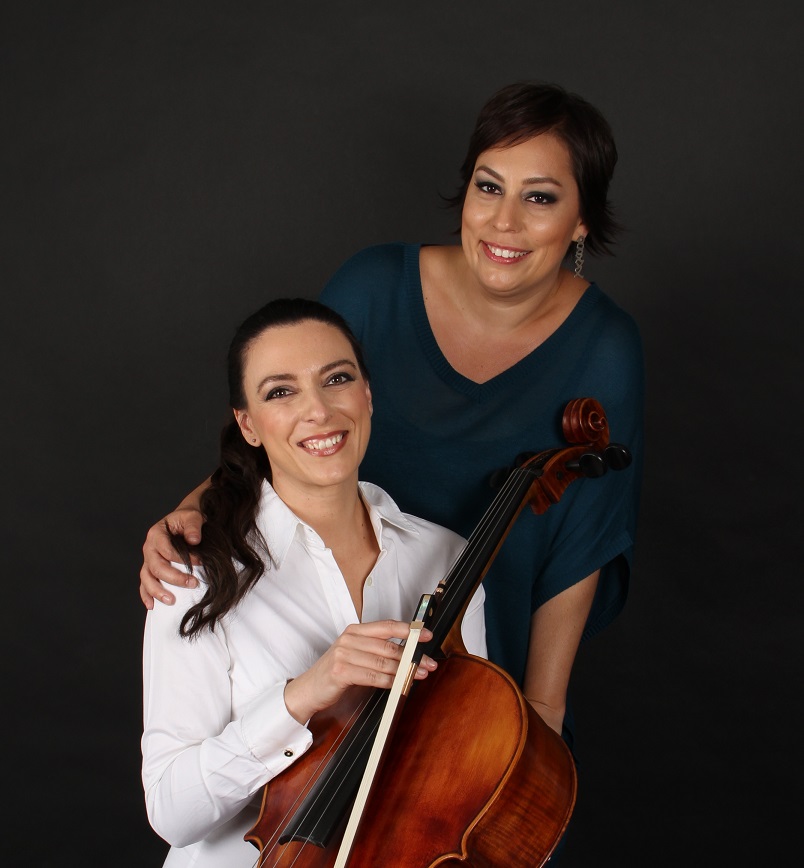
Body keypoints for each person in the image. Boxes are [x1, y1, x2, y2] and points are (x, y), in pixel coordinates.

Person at [140, 80, 643, 754]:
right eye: (489, 187)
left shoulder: (605, 347)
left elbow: (585, 538)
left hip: (483, 625)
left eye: (541, 198)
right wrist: (193, 509)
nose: (504, 222)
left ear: (582, 220)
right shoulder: (375, 287)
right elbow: (296, 417)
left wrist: (542, 707)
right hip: (338, 603)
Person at [142, 298, 487, 866]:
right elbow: (172, 815)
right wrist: (304, 693)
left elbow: (464, 762)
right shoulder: (195, 571)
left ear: (367, 394)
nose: (319, 411)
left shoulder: (447, 557)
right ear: (248, 425)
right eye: (281, 391)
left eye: (337, 379)